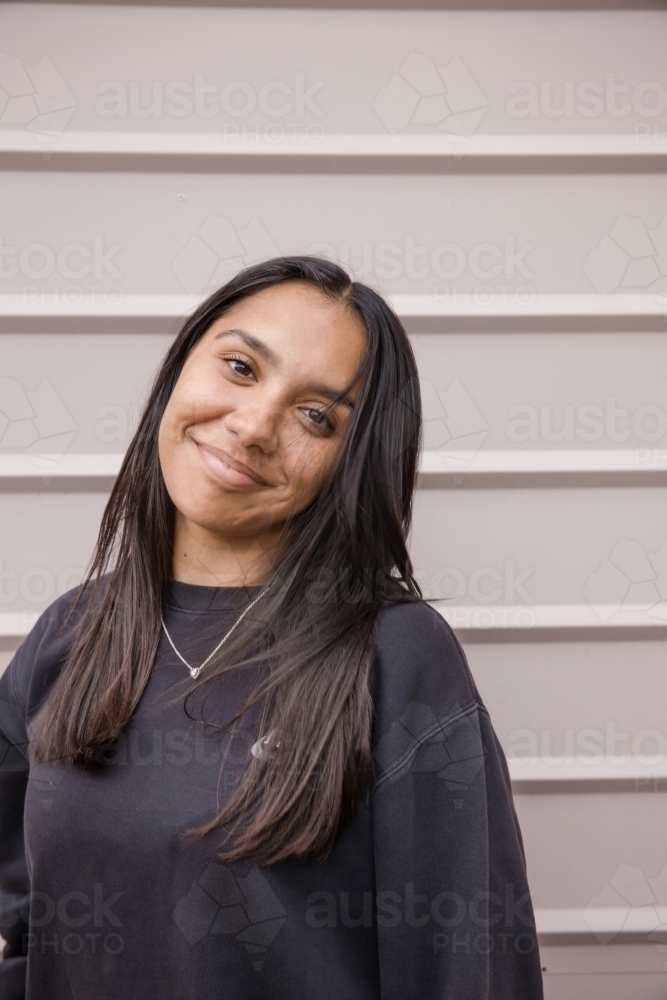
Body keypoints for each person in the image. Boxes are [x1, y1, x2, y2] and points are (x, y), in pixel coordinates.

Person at [0, 257, 543, 999]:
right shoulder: (71, 631)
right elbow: (31, 928)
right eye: (239, 366)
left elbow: (466, 969)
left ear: (349, 464)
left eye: (315, 416)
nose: (254, 426)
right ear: (178, 370)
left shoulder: (395, 656)